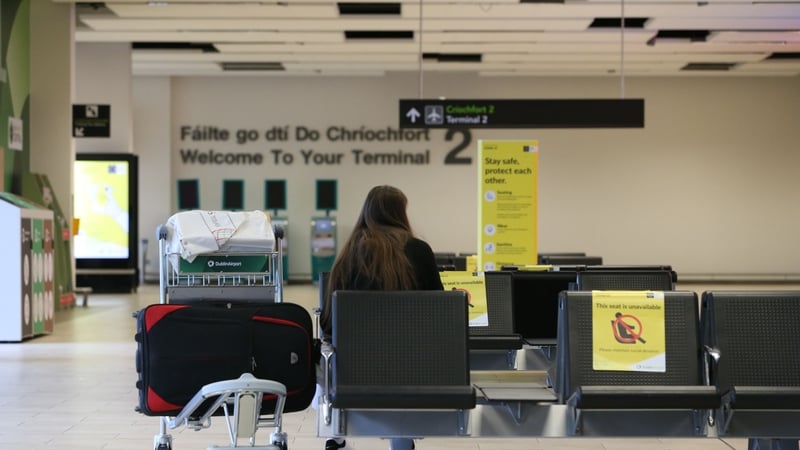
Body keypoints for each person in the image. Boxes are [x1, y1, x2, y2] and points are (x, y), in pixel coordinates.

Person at [320, 185, 443, 450]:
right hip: (413, 369)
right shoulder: (419, 251)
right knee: (401, 363)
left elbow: (328, 325)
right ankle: (401, 443)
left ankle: (337, 437)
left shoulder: (348, 254)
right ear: (400, 213)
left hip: (353, 372)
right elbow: (439, 315)